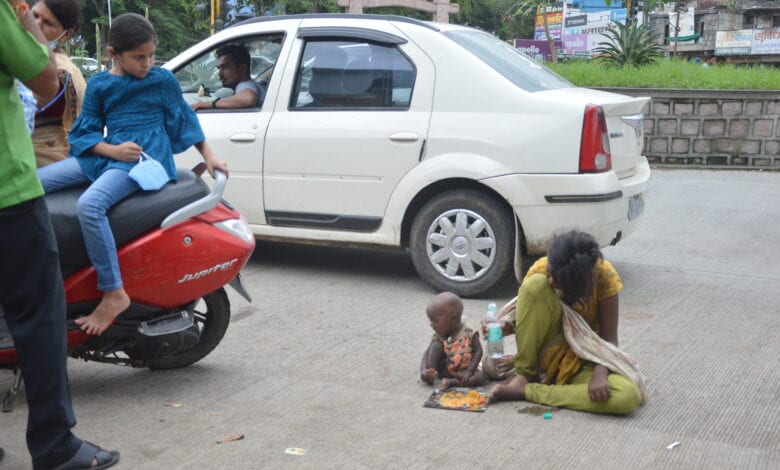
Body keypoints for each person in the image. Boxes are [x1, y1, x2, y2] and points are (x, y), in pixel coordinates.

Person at [38, 12, 229, 336]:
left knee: (90, 205)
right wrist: (110, 150)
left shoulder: (161, 80)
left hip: (143, 160)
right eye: (139, 57)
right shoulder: (101, 84)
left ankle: (113, 292)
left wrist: (209, 156)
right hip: (109, 154)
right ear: (114, 54)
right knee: (29, 185)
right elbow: (85, 133)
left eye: (151, 55)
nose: (147, 63)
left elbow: (184, 119)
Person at [1, 0, 119, 468]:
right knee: (41, 317)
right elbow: (45, 81)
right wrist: (27, 24)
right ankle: (55, 447)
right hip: (8, 191)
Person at [488, 230, 643, 415]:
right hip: (544, 355)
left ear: (578, 285)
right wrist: (508, 325)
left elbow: (609, 339)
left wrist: (600, 372)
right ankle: (524, 376)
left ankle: (527, 391)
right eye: (551, 273)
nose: (551, 281)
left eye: (559, 280)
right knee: (535, 284)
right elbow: (530, 317)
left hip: (584, 357)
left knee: (627, 396)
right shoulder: (541, 269)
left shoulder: (604, 278)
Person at [30, 0, 87, 167]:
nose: (36, 25)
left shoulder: (60, 70)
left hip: (42, 157)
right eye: (34, 16)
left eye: (47, 23)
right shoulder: (24, 55)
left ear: (66, 34)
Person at [420, 292, 487, 390]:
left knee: (480, 378)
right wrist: (424, 370)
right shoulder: (440, 335)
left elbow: (478, 351)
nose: (431, 325)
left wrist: (469, 371)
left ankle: (452, 382)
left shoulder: (469, 333)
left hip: (463, 370)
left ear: (452, 319)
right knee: (435, 346)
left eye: (435, 321)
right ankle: (430, 375)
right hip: (444, 370)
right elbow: (427, 353)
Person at [190, 43, 264, 111]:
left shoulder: (245, 85)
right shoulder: (250, 85)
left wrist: (209, 104)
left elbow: (248, 98)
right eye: (219, 68)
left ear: (242, 69)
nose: (219, 73)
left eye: (225, 67)